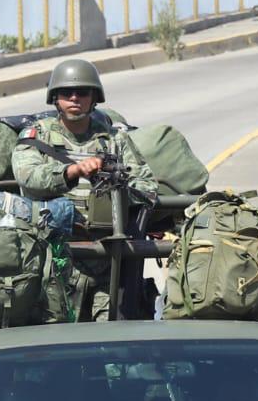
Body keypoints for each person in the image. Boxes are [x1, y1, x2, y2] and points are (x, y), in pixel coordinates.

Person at [11, 58, 158, 321]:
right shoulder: (37, 137)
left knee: (112, 344)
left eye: (83, 92)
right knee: (56, 340)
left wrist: (116, 182)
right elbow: (28, 176)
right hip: (52, 262)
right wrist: (73, 172)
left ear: (94, 98)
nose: (74, 98)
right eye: (67, 93)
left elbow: (146, 188)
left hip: (108, 260)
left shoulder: (115, 140)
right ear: (55, 98)